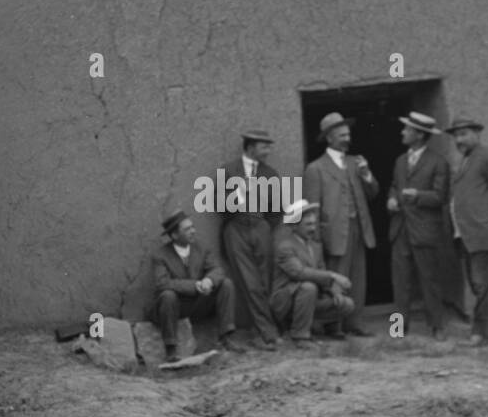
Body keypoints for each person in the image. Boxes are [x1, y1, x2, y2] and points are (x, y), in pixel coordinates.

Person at [302, 112, 378, 338]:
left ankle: (356, 323)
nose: (347, 138)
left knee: (358, 277)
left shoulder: (356, 163)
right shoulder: (315, 168)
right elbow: (312, 208)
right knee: (336, 278)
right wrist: (315, 239)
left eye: (348, 134)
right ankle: (334, 326)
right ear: (329, 138)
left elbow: (373, 193)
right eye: (342, 134)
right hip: (333, 232)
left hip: (358, 228)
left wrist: (366, 175)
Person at [446, 116, 488, 346]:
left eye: (463, 134)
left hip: (484, 231)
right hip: (466, 233)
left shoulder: (487, 157)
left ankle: (480, 333)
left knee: (482, 283)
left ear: (477, 134)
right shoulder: (466, 160)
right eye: (455, 135)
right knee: (480, 283)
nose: (458, 139)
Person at [219, 129, 284, 350]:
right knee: (250, 283)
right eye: (264, 146)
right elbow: (218, 205)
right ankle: (268, 334)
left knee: (265, 282)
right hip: (236, 229)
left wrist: (262, 225)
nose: (268, 151)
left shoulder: (271, 174)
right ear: (250, 147)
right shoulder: (227, 171)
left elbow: (277, 211)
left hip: (261, 228)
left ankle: (263, 330)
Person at [151, 210, 245, 362]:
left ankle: (225, 338)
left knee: (225, 284)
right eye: (187, 229)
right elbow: (162, 283)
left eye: (192, 227)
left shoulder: (201, 248)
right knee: (167, 295)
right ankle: (171, 349)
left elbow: (217, 269)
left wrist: (209, 280)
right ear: (174, 235)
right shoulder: (160, 255)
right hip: (177, 307)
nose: (193, 231)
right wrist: (195, 285)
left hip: (200, 304)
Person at [388, 111, 450, 340]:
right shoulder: (400, 161)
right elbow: (394, 185)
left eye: (407, 129)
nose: (403, 132)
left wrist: (417, 196)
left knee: (429, 279)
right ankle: (398, 328)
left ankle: (437, 327)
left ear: (419, 135)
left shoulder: (438, 162)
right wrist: (391, 198)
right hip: (400, 228)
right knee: (400, 281)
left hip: (424, 230)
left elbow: (440, 197)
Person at [271, 200, 354, 348]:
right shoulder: (285, 247)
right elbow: (298, 273)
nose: (313, 229)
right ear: (295, 226)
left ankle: (328, 328)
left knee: (346, 304)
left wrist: (332, 290)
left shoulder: (315, 246)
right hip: (285, 303)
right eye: (308, 225)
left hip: (309, 299)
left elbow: (320, 272)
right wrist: (333, 276)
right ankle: (299, 336)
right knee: (308, 287)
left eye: (314, 224)